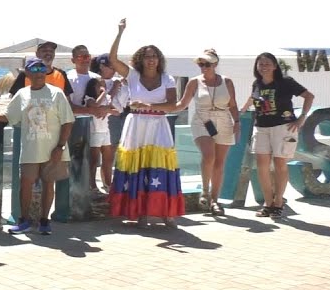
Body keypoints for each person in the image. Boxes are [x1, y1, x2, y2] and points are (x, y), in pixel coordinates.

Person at [0, 56, 74, 236]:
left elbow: (68, 122)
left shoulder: (57, 94)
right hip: (30, 149)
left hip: (53, 149)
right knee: (26, 184)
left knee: (48, 185)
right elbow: (9, 115)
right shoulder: (22, 94)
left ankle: (45, 221)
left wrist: (60, 146)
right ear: (27, 73)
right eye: (34, 69)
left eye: (41, 69)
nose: (39, 73)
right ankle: (24, 221)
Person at [105, 19, 183, 227]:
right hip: (136, 126)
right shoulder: (133, 75)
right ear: (141, 59)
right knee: (137, 165)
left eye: (154, 56)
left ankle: (167, 213)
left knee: (161, 166)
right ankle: (140, 212)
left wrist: (147, 105)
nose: (151, 60)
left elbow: (172, 105)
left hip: (158, 126)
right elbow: (112, 59)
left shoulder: (167, 79)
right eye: (147, 56)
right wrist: (120, 32)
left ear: (159, 59)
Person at [161, 49, 240, 215]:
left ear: (215, 64)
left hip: (224, 119)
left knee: (219, 162)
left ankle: (215, 200)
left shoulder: (227, 81)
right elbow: (182, 104)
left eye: (207, 64)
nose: (203, 67)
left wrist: (237, 122)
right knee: (208, 155)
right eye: (201, 64)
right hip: (202, 120)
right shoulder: (194, 82)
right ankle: (205, 190)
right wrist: (160, 108)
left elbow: (232, 104)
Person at [245, 52, 314, 218]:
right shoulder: (257, 83)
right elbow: (253, 99)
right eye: (260, 64)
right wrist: (241, 110)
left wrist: (302, 118)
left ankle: (278, 203)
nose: (264, 67)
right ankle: (268, 204)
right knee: (262, 166)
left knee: (280, 164)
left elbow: (308, 96)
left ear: (275, 66)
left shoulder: (285, 82)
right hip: (261, 127)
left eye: (267, 63)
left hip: (283, 127)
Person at [88, 54, 127, 193]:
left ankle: (108, 184)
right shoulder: (94, 81)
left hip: (112, 122)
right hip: (96, 123)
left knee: (109, 155)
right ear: (102, 66)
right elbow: (99, 103)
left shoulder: (119, 81)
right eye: (111, 67)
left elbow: (119, 107)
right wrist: (112, 90)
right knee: (94, 157)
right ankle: (92, 185)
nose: (114, 70)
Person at [8, 40, 72, 97]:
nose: (48, 53)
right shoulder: (25, 74)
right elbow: (15, 100)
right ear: (37, 54)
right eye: (44, 51)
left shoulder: (61, 74)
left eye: (51, 51)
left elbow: (67, 102)